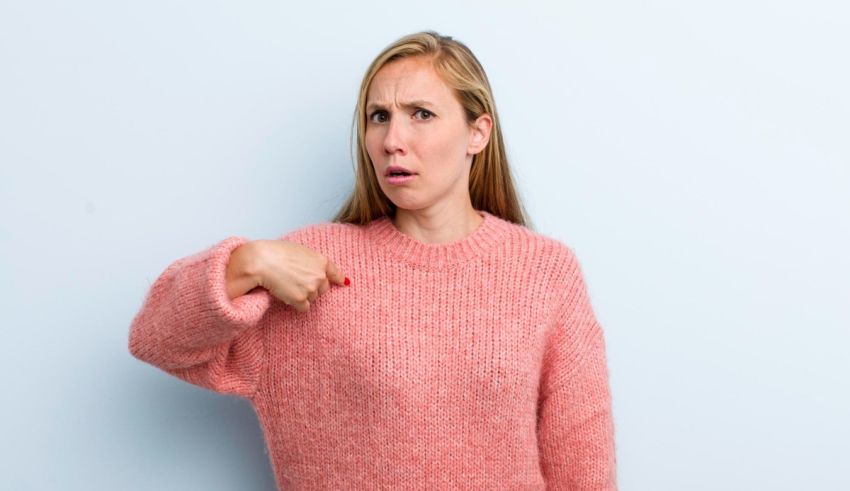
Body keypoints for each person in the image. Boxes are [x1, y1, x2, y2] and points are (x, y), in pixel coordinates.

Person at [128, 30, 618, 490]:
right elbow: (154, 339)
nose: (392, 140)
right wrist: (245, 262)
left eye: (421, 114)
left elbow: (583, 466)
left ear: (477, 133)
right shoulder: (311, 266)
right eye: (378, 116)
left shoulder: (544, 271)